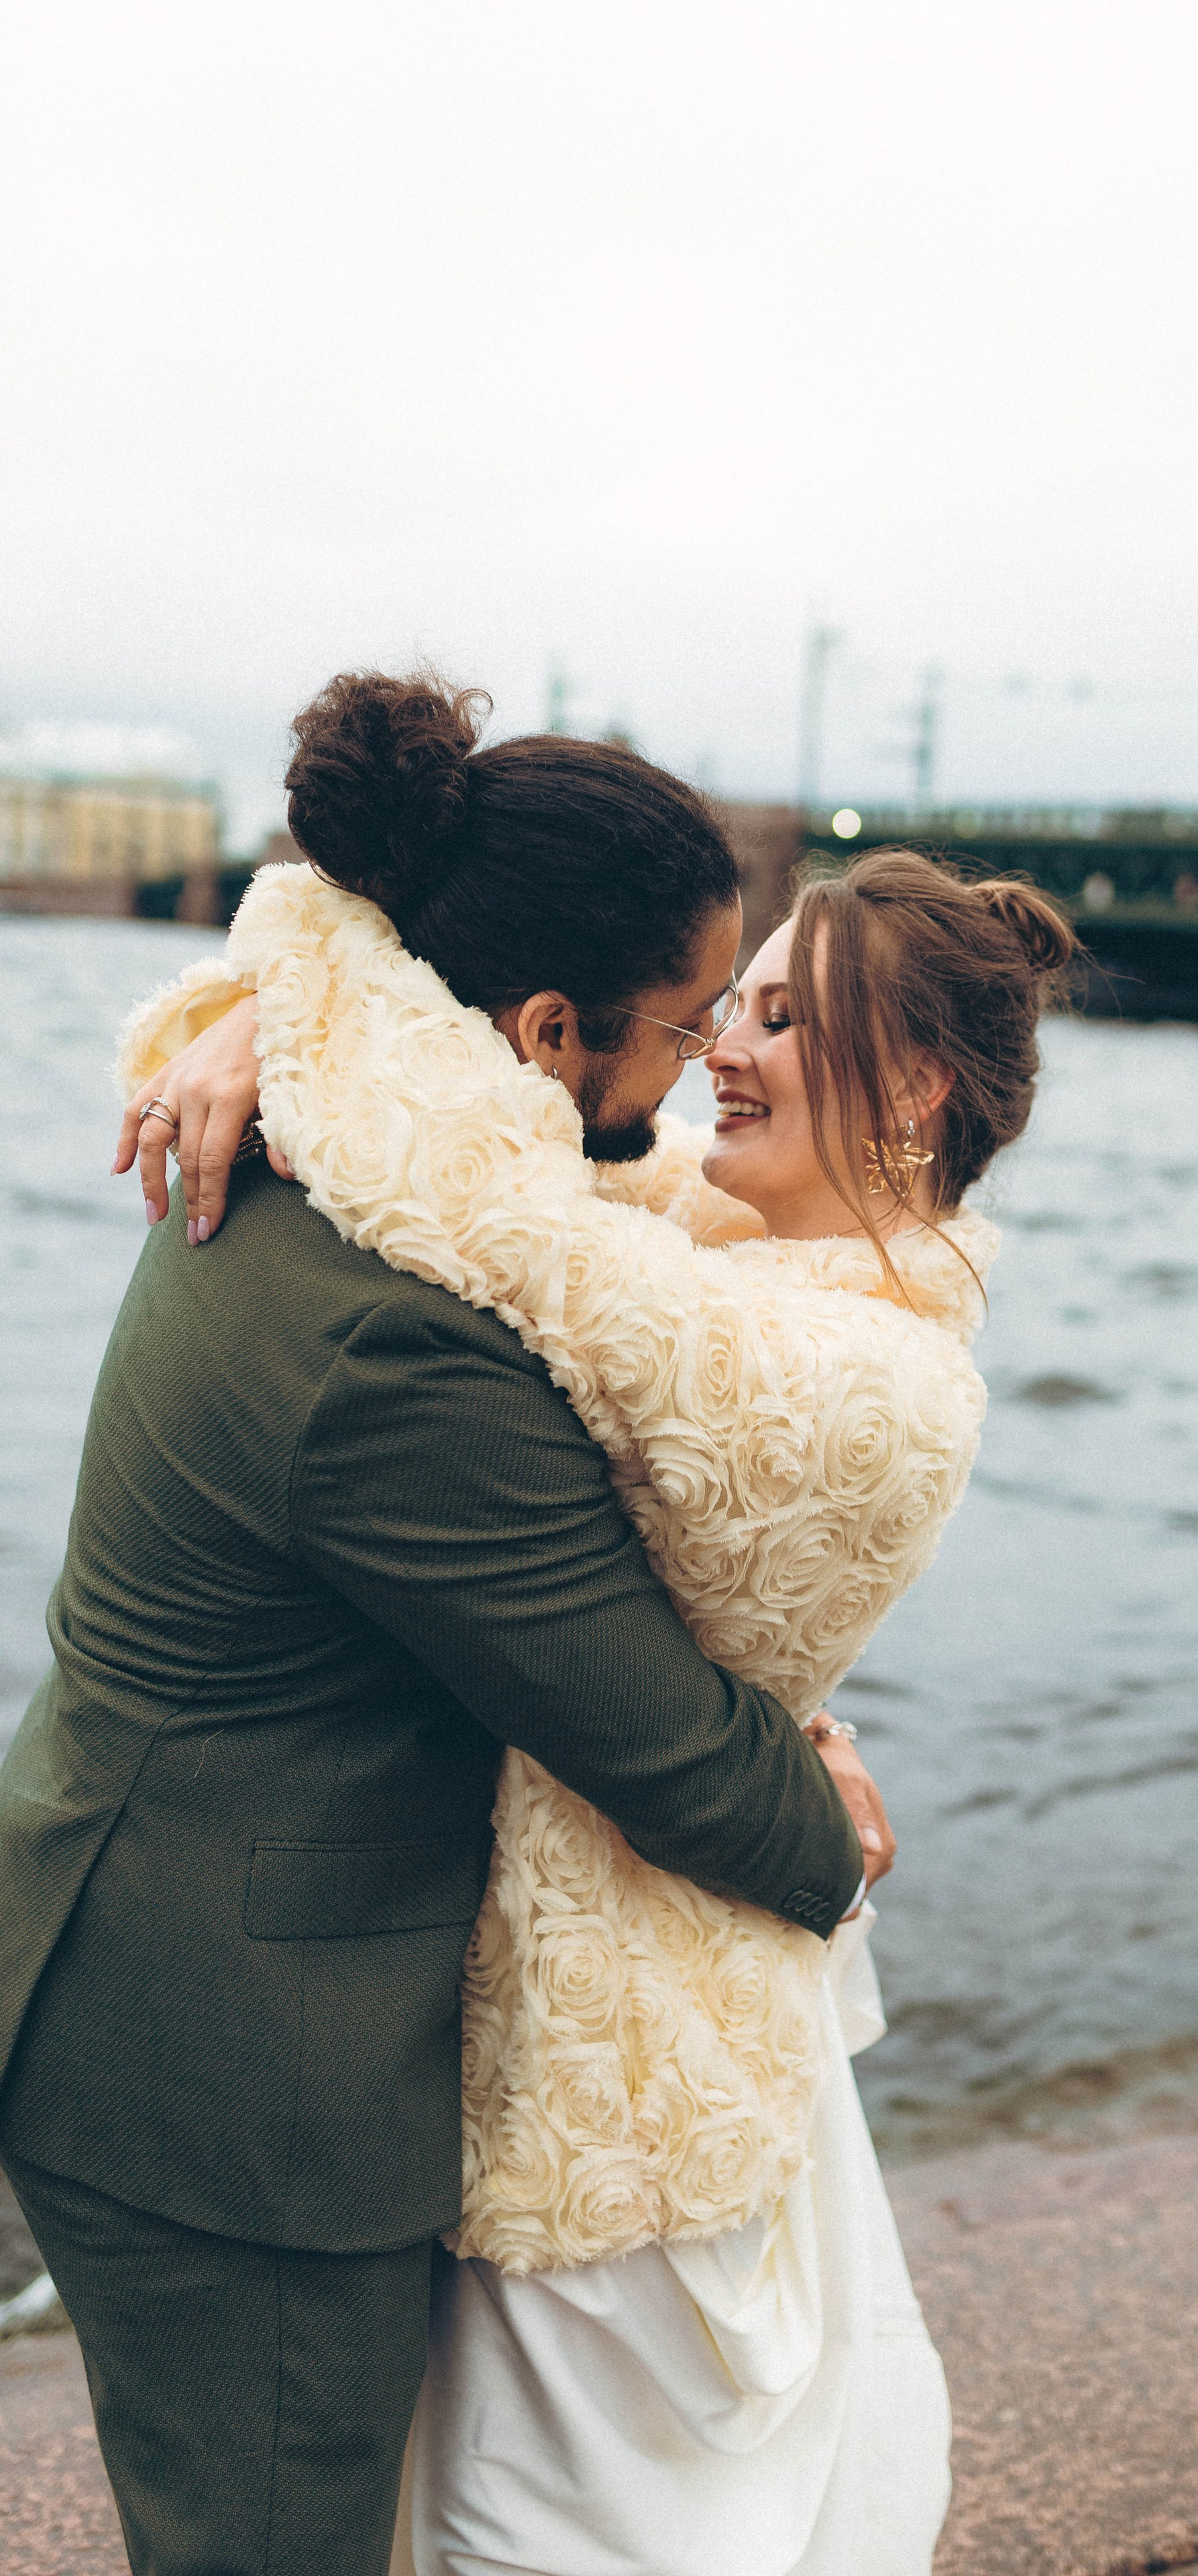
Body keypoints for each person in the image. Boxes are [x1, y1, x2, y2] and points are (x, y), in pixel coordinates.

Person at [107, 670, 1075, 2575]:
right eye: (728, 1001)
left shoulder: (864, 1377)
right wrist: (255, 1039)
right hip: (562, 1982)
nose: (724, 1045)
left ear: (923, 1090)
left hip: (629, 2031)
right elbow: (538, 1190)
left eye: (782, 1020)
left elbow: (510, 1222)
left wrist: (285, 1038)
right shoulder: (718, 1243)